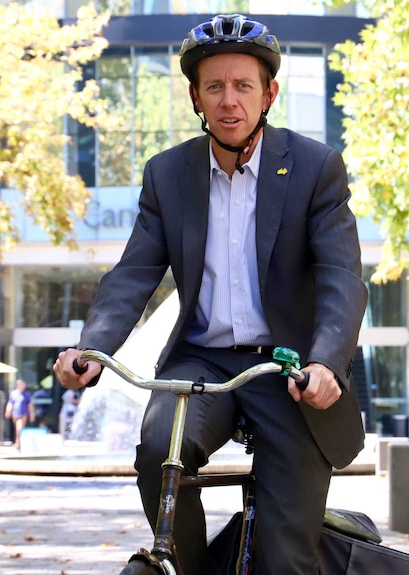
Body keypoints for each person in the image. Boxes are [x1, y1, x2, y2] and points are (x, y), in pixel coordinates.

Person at [53, 14, 367, 575]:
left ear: (268, 93)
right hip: (201, 364)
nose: (229, 101)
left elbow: (341, 278)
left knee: (285, 554)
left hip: (288, 367)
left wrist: (326, 362)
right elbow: (132, 275)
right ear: (196, 96)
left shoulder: (316, 168)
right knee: (158, 451)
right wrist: (91, 349)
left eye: (243, 86)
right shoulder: (168, 174)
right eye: (214, 87)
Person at [5, 379, 34, 450]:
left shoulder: (26, 394)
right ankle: (18, 441)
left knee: (19, 428)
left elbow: (30, 405)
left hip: (23, 413)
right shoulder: (13, 393)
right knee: (17, 428)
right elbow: (10, 403)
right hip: (15, 413)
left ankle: (18, 443)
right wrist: (8, 411)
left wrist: (32, 414)